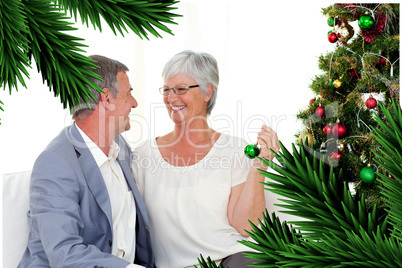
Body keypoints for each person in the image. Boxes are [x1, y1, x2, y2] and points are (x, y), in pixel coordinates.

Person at [132, 50, 280, 267]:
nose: (172, 98)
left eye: (181, 89)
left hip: (230, 261)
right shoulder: (144, 155)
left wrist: (260, 165)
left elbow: (247, 226)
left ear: (207, 92)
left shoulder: (235, 150)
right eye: (166, 90)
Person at [18, 55, 154, 268]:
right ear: (107, 99)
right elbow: (65, 254)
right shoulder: (55, 164)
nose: (134, 103)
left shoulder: (120, 147)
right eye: (129, 94)